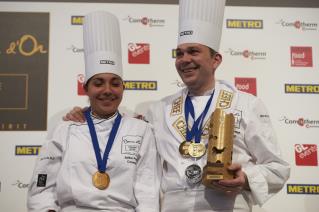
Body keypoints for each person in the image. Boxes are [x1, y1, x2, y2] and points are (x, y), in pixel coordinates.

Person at [64, 1, 290, 211]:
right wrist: (87, 114)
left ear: (215, 60)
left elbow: (277, 168)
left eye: (193, 51)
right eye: (179, 53)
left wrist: (246, 178)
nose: (184, 59)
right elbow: (119, 128)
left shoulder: (247, 104)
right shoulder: (158, 109)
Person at [27, 11, 159, 212]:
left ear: (123, 89)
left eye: (115, 83)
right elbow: (42, 184)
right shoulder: (65, 128)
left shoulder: (140, 130)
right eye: (98, 83)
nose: (107, 90)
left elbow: (147, 190)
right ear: (86, 88)